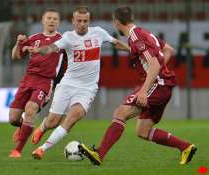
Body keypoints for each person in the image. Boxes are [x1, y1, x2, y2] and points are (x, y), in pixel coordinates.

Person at [79, 5, 197, 166]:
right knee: (143, 131)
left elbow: (154, 65)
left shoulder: (137, 37)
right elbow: (169, 50)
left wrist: (144, 90)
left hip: (157, 84)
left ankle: (99, 154)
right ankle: (186, 147)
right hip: (163, 85)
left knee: (120, 113)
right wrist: (158, 73)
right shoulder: (144, 33)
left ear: (116, 22)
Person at [23, 6, 129, 159]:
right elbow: (52, 48)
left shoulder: (98, 33)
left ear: (89, 21)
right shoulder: (68, 37)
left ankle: (42, 149)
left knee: (73, 116)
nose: (82, 24)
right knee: (53, 121)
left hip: (87, 88)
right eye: (79, 21)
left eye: (85, 21)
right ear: (73, 21)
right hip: (68, 84)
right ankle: (43, 127)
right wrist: (38, 50)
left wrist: (132, 50)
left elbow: (115, 43)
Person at [8, 9, 63, 158]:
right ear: (43, 21)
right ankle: (23, 126)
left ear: (58, 22)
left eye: (55, 19)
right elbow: (16, 56)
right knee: (13, 118)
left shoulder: (62, 40)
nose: (51, 21)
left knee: (30, 108)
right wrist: (18, 43)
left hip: (45, 81)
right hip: (28, 80)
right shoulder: (34, 38)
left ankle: (17, 150)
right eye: (49, 18)